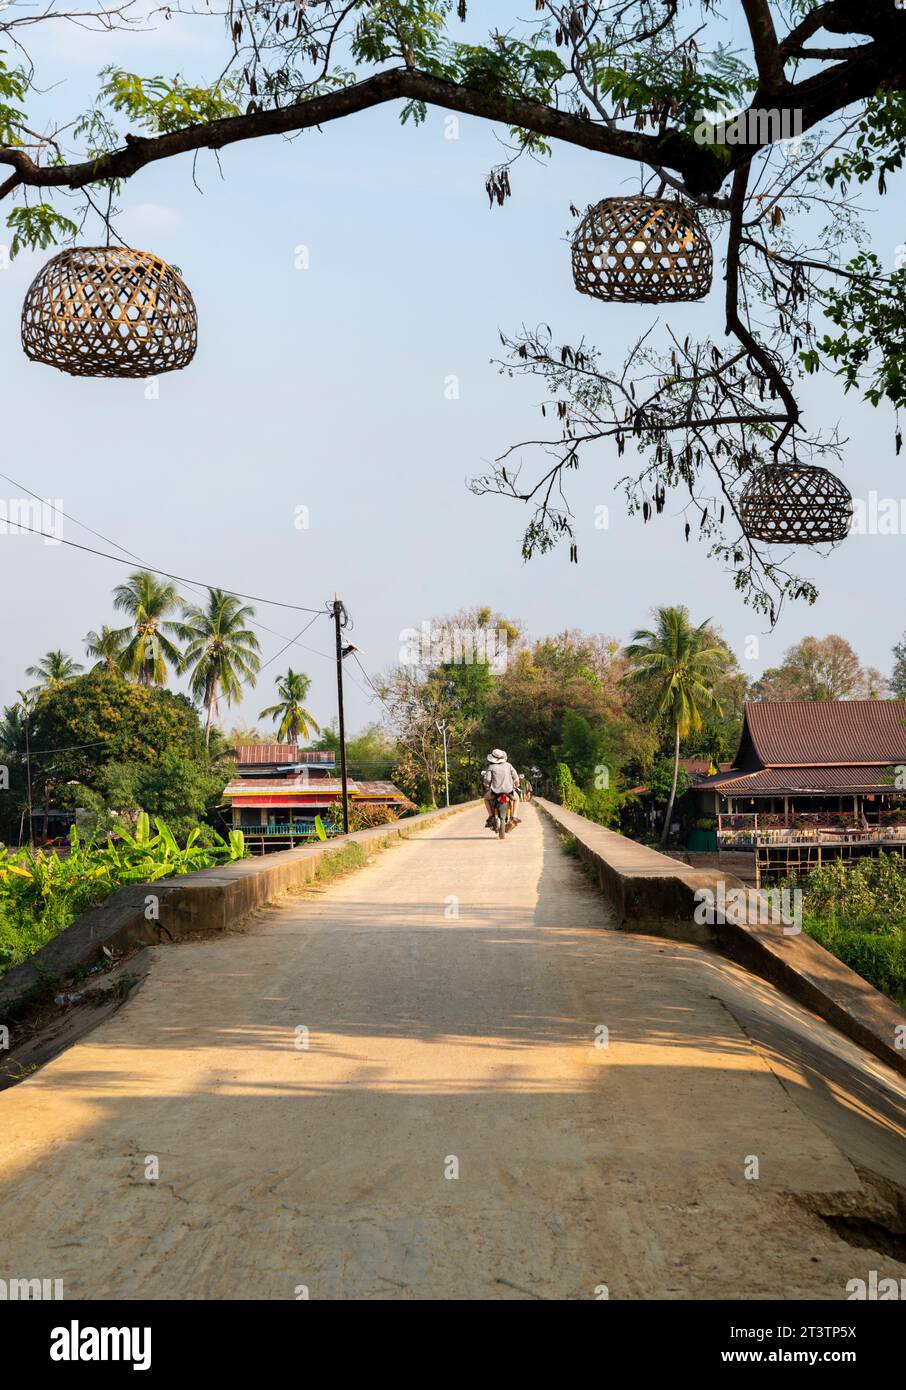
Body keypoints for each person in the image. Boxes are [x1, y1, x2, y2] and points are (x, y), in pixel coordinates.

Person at [481, 749, 521, 828]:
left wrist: (486, 784)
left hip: (495, 792)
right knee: (517, 799)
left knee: (486, 798)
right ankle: (514, 816)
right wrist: (516, 784)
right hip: (509, 792)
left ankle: (491, 816)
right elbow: (516, 778)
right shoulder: (509, 765)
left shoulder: (491, 767)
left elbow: (488, 780)